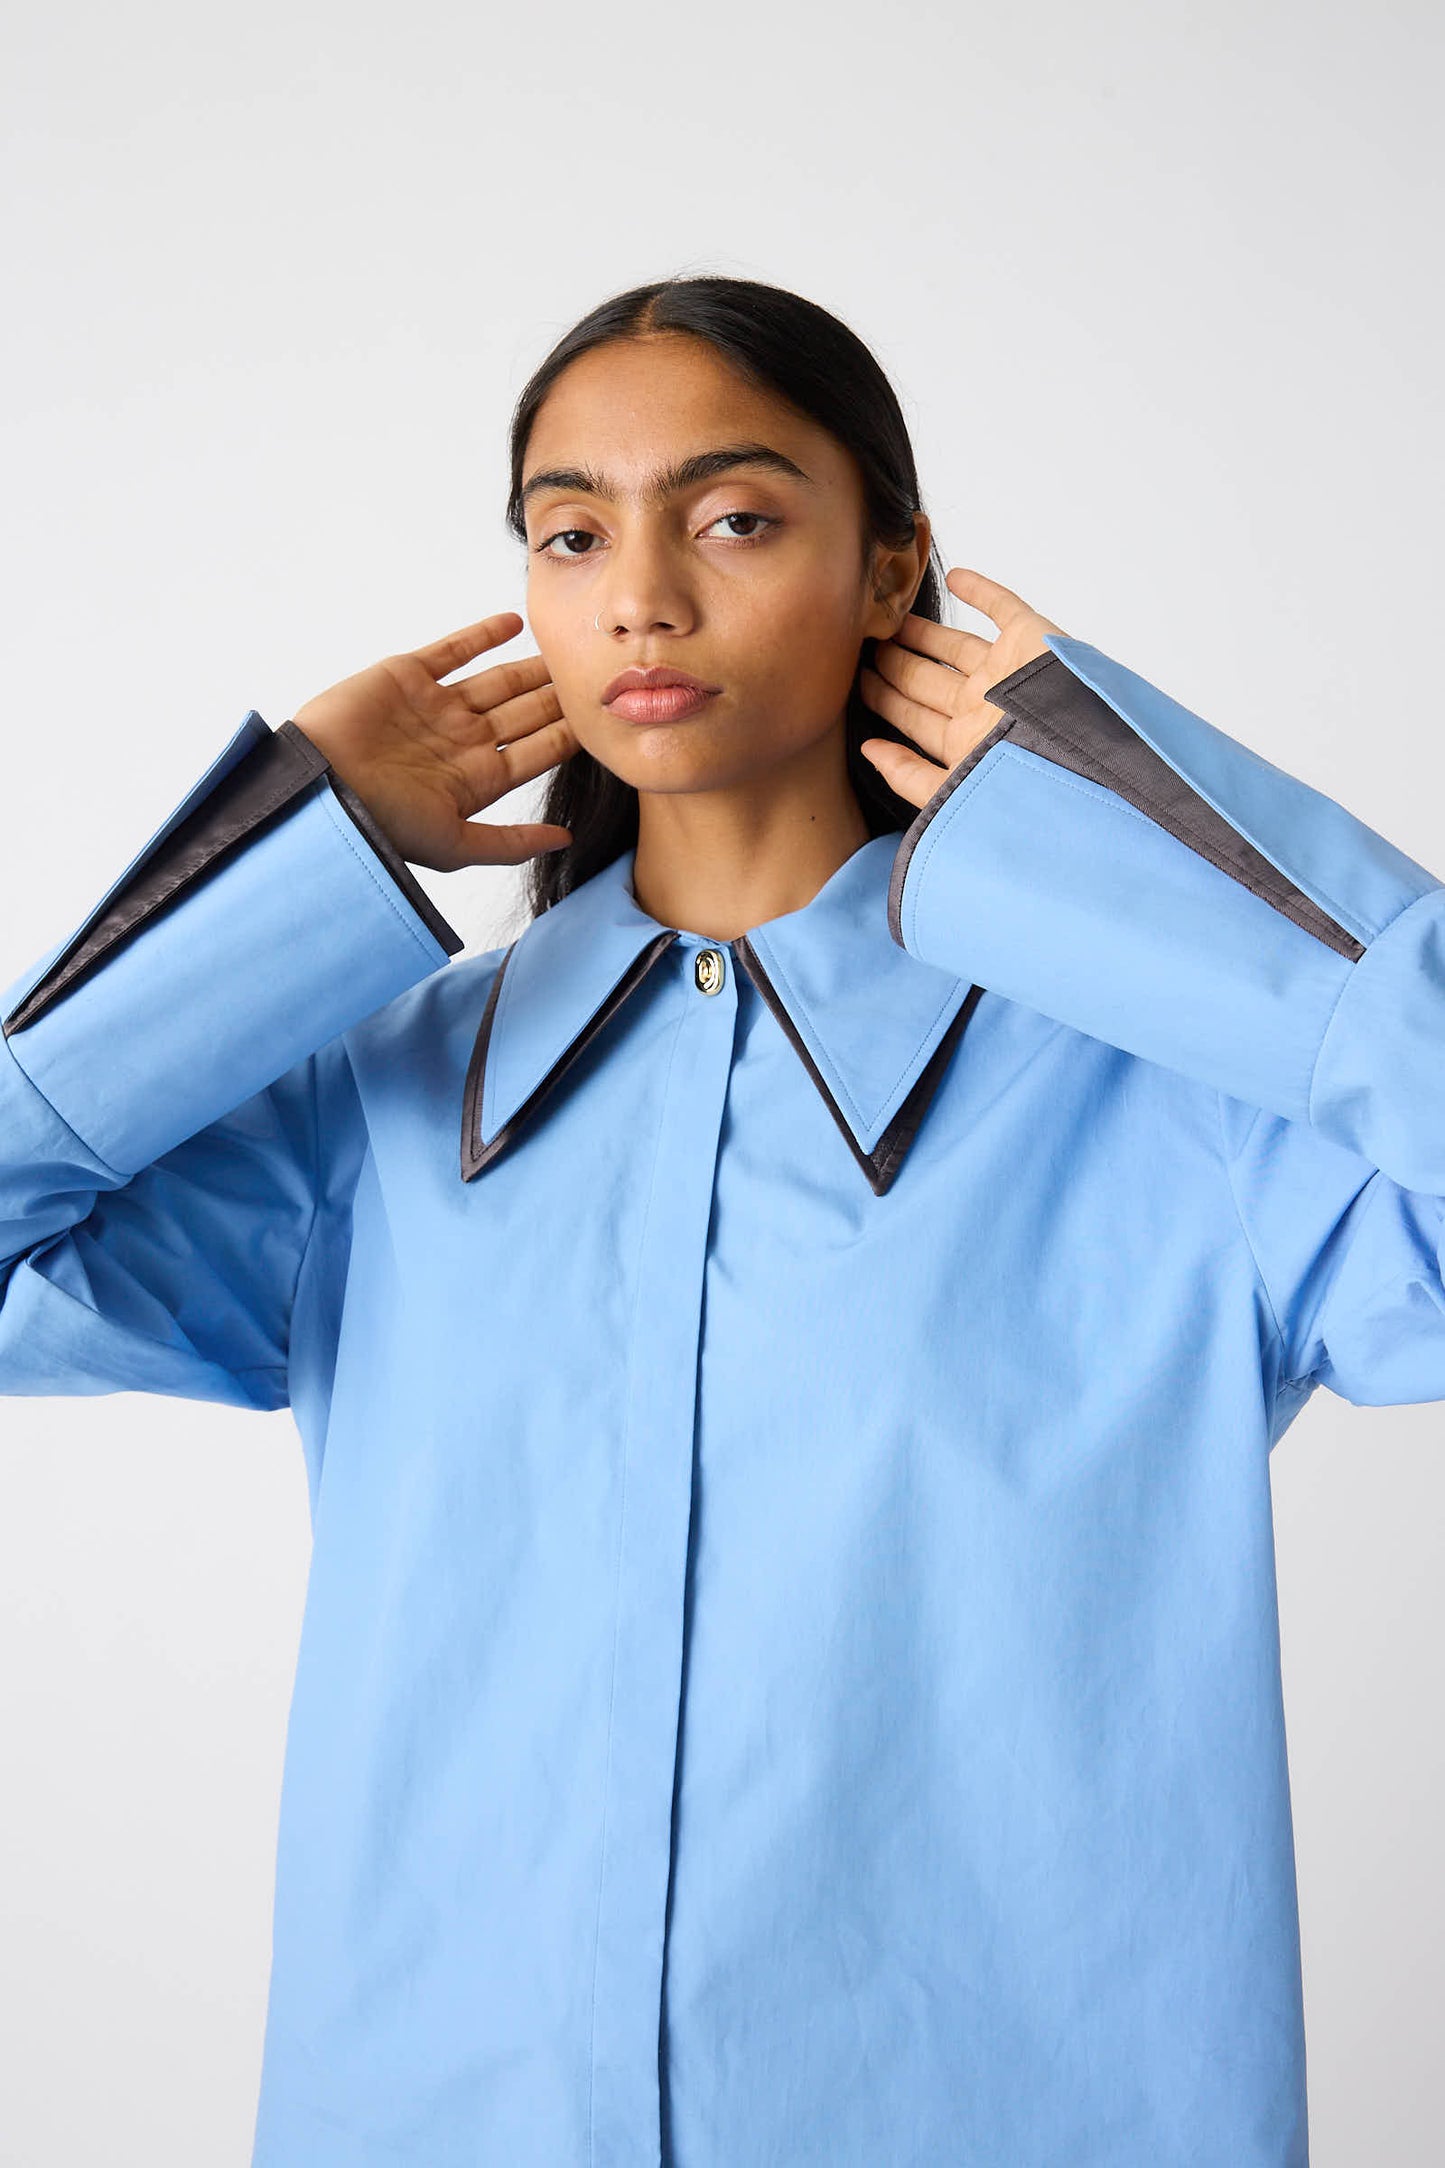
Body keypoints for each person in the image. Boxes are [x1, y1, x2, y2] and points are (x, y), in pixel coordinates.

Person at [2, 274, 1439, 2168]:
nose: (641, 597)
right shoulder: (372, 1109)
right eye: (571, 532)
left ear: (892, 570)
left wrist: (1149, 837)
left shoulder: (1172, 1103)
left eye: (736, 517)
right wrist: (273, 857)